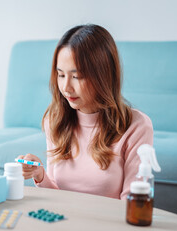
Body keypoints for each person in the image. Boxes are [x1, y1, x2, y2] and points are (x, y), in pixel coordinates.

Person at [17, 24, 153, 200]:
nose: (66, 88)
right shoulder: (55, 120)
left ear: (103, 75)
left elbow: (131, 203)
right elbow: (59, 198)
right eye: (61, 75)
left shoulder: (137, 126)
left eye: (76, 76)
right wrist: (40, 174)